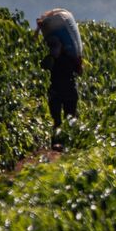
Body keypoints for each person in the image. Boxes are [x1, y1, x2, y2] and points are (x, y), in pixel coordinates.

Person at [37, 16, 81, 149]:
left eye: (56, 46)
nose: (54, 50)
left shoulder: (68, 58)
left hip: (68, 92)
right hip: (57, 92)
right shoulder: (50, 60)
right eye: (52, 47)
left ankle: (68, 142)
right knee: (57, 120)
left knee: (69, 118)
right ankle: (57, 142)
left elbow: (79, 71)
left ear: (61, 46)